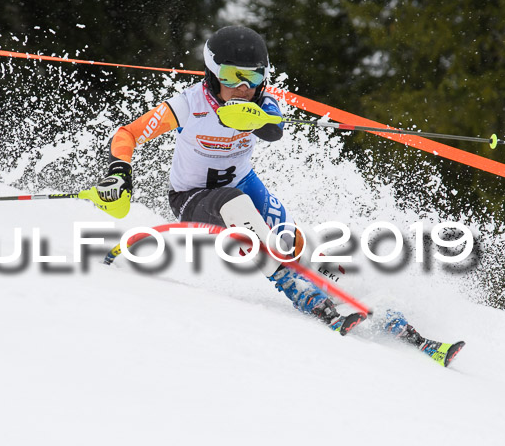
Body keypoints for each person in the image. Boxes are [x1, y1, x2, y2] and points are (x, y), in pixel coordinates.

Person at [94, 26, 464, 364]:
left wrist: (255, 116)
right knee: (239, 210)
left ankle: (384, 314)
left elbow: (273, 130)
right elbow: (127, 134)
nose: (242, 87)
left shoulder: (262, 102)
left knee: (298, 244)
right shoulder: (188, 105)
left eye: (252, 78)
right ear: (211, 73)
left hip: (245, 186)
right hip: (193, 197)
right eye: (232, 77)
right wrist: (119, 170)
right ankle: (296, 289)